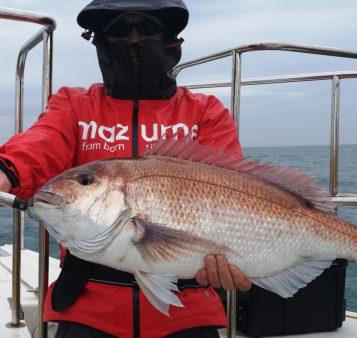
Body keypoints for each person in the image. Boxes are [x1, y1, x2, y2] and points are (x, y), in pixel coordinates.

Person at [0, 0, 251, 337]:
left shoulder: (205, 111)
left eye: (147, 28)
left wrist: (242, 255)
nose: (134, 40)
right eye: (119, 29)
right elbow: (41, 143)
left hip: (188, 307)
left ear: (168, 37)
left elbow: (239, 192)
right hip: (86, 305)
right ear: (101, 39)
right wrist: (6, 170)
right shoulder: (74, 103)